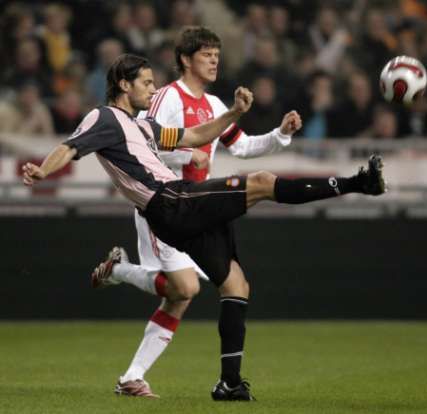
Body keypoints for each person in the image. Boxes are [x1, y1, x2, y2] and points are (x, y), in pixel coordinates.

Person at [22, 53, 386, 401]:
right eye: (145, 83)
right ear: (122, 83)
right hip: (169, 202)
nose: (152, 89)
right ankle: (358, 183)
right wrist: (42, 169)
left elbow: (194, 137)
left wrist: (233, 113)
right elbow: (69, 148)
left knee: (235, 284)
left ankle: (229, 384)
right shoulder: (103, 118)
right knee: (260, 182)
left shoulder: (143, 125)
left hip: (177, 207)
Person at [91, 26, 302, 401]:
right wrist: (189, 154)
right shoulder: (166, 97)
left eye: (217, 55)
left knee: (179, 295)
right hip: (163, 203)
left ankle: (131, 376)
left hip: (196, 208)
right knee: (184, 287)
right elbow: (142, 143)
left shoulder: (217, 105)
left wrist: (279, 134)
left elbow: (243, 146)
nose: (214, 60)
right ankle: (120, 272)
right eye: (206, 54)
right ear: (186, 59)